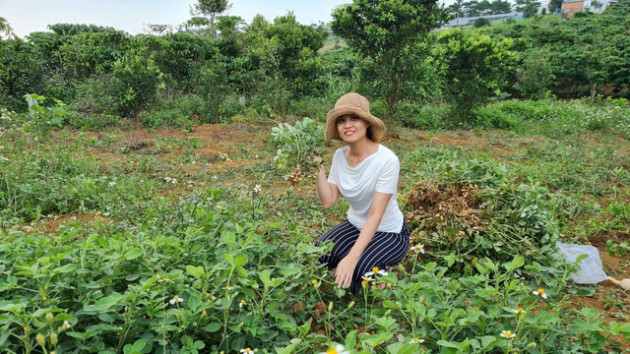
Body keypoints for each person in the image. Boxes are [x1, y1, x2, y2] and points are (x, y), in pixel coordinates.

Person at [315, 92, 410, 294]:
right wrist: (317, 167)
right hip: (355, 225)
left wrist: (351, 258)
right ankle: (362, 257)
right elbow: (328, 201)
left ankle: (380, 269)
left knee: (360, 272)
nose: (347, 125)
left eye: (354, 118)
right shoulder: (339, 156)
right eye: (341, 120)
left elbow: (376, 215)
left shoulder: (386, 160)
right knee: (321, 253)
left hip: (389, 231)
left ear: (367, 123)